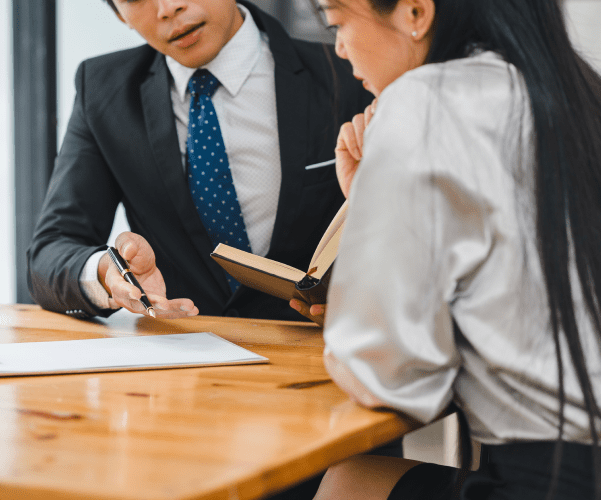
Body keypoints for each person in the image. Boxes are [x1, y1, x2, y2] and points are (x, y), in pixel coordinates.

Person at [295, 0, 601, 499]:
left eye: (338, 23)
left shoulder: (425, 100)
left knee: (349, 480)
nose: (341, 49)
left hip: (549, 478)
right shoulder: (577, 91)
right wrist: (375, 194)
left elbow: (390, 375)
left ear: (415, 12)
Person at [26, 0, 372, 322]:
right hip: (186, 363)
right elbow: (49, 253)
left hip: (323, 356)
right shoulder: (104, 91)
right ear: (119, 14)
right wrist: (107, 270)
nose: (167, 8)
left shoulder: (351, 72)